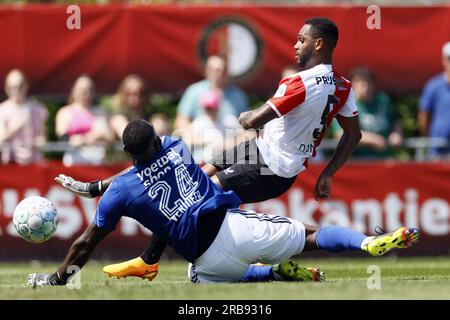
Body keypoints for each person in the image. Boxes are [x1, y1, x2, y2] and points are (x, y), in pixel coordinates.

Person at [55, 17, 396, 280]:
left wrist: (246, 115)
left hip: (270, 164)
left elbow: (253, 119)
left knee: (192, 192)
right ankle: (144, 249)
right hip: (263, 152)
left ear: (318, 44)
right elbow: (353, 136)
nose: (295, 45)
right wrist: (328, 173)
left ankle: (150, 261)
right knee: (195, 172)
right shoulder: (344, 85)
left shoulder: (300, 81)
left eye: (301, 40)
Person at [30, 120, 419, 286]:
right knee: (312, 236)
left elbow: (85, 243)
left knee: (196, 278)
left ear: (126, 152)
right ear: (156, 142)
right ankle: (367, 243)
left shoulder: (120, 191)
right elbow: (150, 162)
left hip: (205, 259)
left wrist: (57, 278)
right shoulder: (176, 147)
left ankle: (274, 274)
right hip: (233, 226)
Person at [328, 66, 403, 159]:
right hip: (358, 163)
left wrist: (397, 134)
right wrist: (372, 139)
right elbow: (339, 134)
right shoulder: (344, 104)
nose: (364, 85)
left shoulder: (383, 101)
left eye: (367, 81)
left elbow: (396, 120)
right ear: (352, 85)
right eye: (359, 81)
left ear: (373, 84)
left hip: (385, 160)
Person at [173, 55, 248, 134]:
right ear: (207, 71)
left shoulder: (237, 94)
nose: (220, 74)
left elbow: (246, 125)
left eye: (223, 70)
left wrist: (230, 142)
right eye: (216, 70)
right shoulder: (194, 91)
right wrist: (196, 138)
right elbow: (181, 121)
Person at [55, 75, 113, 166]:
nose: (85, 93)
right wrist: (74, 139)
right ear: (74, 90)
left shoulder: (100, 111)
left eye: (88, 89)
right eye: (81, 89)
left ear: (93, 92)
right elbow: (62, 135)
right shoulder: (65, 112)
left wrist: (97, 136)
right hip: (74, 159)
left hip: (97, 160)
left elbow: (109, 136)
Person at [0, 69, 48, 165]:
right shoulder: (2, 110)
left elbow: (43, 137)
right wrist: (19, 126)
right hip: (11, 163)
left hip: (34, 162)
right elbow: (1, 139)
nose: (18, 90)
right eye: (14, 87)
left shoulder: (37, 108)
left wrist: (40, 141)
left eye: (20, 85)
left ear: (26, 86)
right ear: (7, 89)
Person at [418, 41, 450, 158]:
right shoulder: (433, 86)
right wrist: (430, 140)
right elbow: (423, 116)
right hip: (437, 151)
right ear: (444, 60)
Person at [104, 74, 150, 140]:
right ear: (123, 93)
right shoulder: (118, 115)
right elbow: (129, 137)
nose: (135, 97)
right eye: (129, 93)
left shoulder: (149, 114)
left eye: (140, 93)